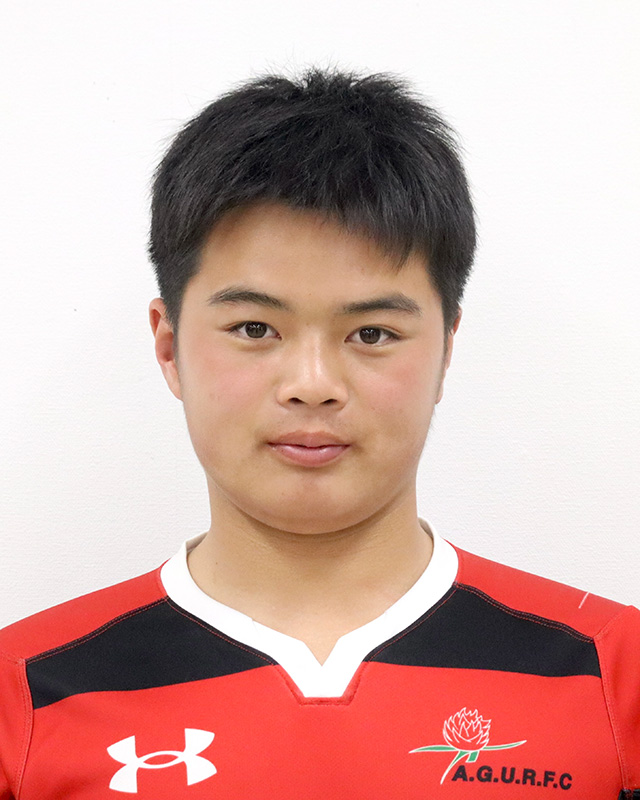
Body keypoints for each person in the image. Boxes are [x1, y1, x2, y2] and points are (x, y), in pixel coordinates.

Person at [0, 66, 638, 800]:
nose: (312, 383)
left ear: (445, 351)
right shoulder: (26, 693)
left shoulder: (612, 674)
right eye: (254, 328)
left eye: (372, 333)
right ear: (169, 347)